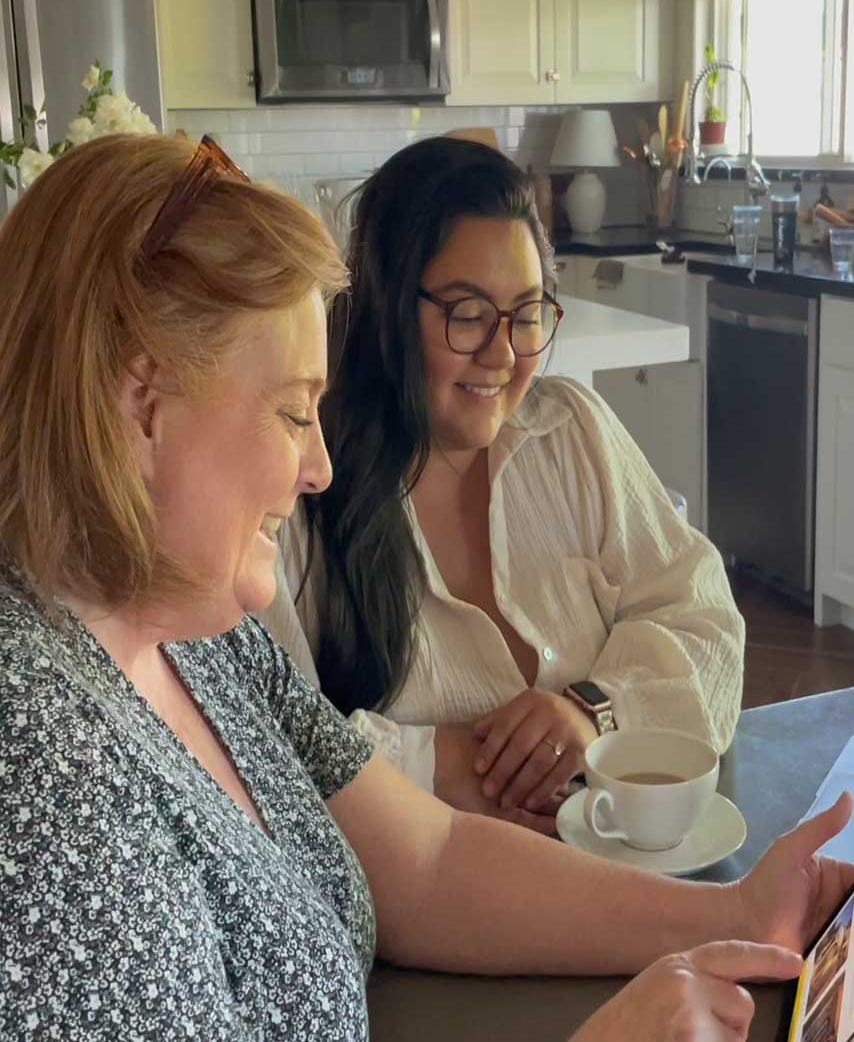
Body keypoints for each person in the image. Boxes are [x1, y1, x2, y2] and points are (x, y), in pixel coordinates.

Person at [0, 132, 854, 1040]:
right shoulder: (46, 778)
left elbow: (430, 860)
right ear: (143, 405)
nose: (318, 466)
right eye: (293, 412)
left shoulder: (199, 644)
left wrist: (736, 918)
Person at [260, 137, 746, 833]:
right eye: (465, 313)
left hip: (622, 874)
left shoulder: (573, 433)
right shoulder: (301, 492)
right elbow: (270, 754)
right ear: (389, 309)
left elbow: (707, 619)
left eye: (526, 313)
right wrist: (437, 763)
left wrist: (595, 709)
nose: (505, 354)